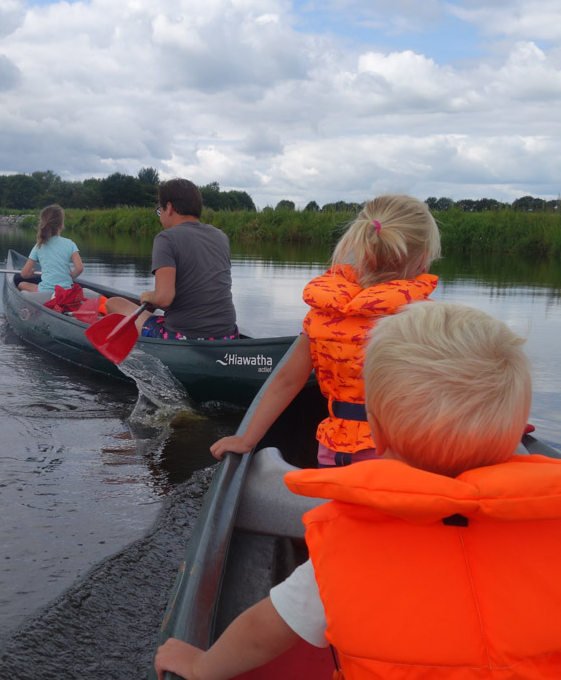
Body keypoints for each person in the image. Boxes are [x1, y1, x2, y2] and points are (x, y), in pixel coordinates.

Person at [156, 301, 561, 680]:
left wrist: (201, 665)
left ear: (377, 434)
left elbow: (266, 630)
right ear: (517, 431)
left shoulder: (346, 545)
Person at [210, 194, 440, 467]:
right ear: (424, 258)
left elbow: (286, 381)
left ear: (361, 248)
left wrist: (246, 439)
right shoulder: (428, 320)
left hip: (333, 452)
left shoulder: (324, 313)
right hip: (396, 457)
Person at [104, 178, 237, 340]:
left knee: (113, 303)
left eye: (160, 209)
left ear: (170, 208)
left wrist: (149, 296)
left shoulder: (166, 238)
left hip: (182, 336)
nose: (160, 216)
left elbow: (163, 299)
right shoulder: (220, 236)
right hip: (227, 335)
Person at [15, 204, 83, 292]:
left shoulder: (39, 245)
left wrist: (30, 275)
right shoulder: (70, 243)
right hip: (66, 291)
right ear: (61, 226)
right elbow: (79, 268)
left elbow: (24, 274)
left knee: (21, 284)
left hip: (45, 291)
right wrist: (70, 277)